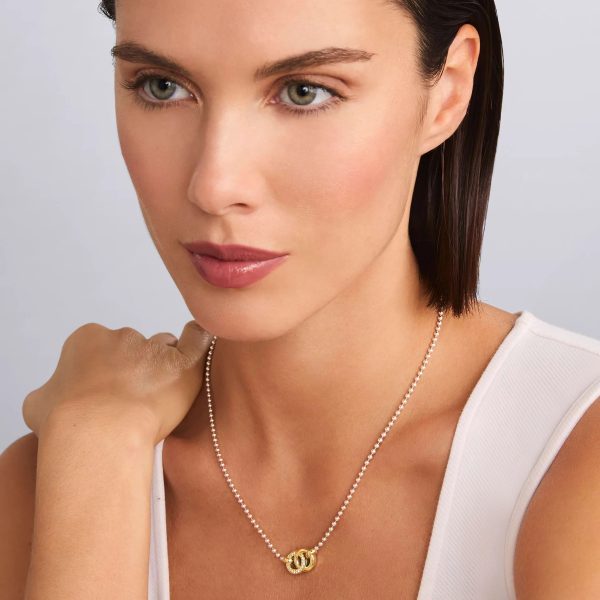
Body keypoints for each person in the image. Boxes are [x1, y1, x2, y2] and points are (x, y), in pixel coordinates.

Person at [1, 0, 599, 598]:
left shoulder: (574, 453)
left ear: (446, 92)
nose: (214, 185)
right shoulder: (61, 478)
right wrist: (98, 444)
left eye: (305, 92)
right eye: (163, 86)